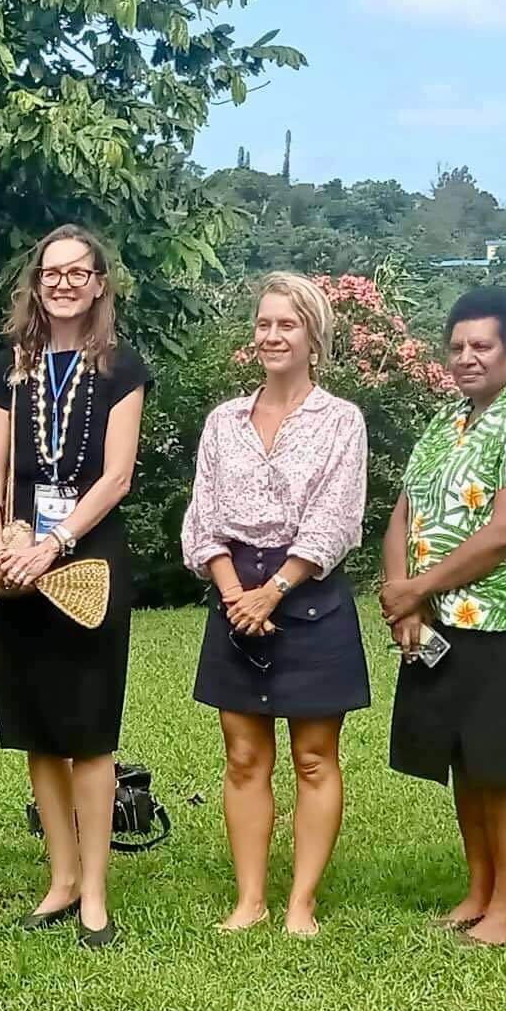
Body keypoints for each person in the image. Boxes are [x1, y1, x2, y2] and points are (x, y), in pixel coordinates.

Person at [179, 272, 370, 937]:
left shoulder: (341, 420)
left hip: (309, 595)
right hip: (235, 594)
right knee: (242, 756)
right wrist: (237, 595)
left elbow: (337, 518)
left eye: (286, 324)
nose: (271, 335)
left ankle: (302, 904)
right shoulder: (223, 422)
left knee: (315, 757)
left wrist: (274, 591)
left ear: (314, 337)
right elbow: (202, 519)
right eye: (264, 324)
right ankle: (251, 899)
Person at [0, 225, 149, 949]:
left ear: (100, 283)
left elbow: (117, 476)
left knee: (88, 732)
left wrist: (56, 542)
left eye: (79, 272)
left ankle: (97, 895)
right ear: (36, 283)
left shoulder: (122, 367)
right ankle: (61, 879)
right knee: (39, 733)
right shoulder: (11, 366)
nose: (65, 283)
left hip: (87, 561)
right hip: (19, 562)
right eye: (52, 272)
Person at [381, 287, 506, 949]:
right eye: (457, 346)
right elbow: (405, 511)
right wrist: (400, 592)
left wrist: (417, 590)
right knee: (462, 758)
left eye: (481, 346)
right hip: (440, 621)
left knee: (503, 765)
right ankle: (478, 888)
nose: (465, 357)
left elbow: (505, 532)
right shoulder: (446, 422)